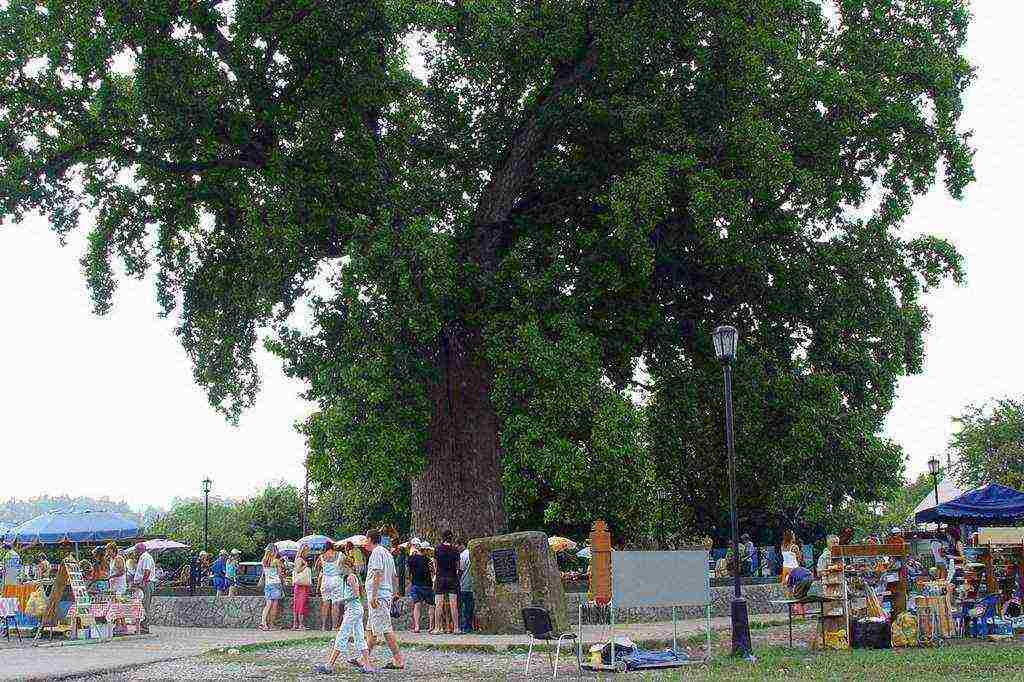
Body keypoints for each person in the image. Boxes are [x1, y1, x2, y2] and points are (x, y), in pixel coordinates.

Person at [313, 554, 375, 675]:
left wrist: (343, 599)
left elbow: (356, 594)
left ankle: (329, 665)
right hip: (355, 609)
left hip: (353, 610)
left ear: (346, 566)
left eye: (340, 566)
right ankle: (367, 665)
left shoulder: (350, 577)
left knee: (342, 635)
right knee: (359, 637)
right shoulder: (350, 576)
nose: (339, 569)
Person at [365, 529, 404, 670]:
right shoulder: (387, 553)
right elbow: (394, 576)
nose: (365, 542)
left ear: (370, 539)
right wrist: (395, 592)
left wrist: (374, 595)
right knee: (370, 629)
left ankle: (398, 659)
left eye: (366, 539)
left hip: (379, 596)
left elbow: (377, 573)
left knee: (385, 629)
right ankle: (363, 657)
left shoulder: (376, 553)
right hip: (384, 594)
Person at [432, 531, 459, 635]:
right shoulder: (455, 550)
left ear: (442, 538)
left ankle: (437, 628)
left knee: (438, 604)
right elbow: (457, 566)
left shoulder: (437, 549)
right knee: (453, 604)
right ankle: (456, 628)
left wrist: (437, 572)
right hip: (452, 578)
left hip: (440, 578)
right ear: (451, 538)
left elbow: (435, 564)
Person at [406, 540, 434, 633]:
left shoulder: (412, 558)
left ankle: (417, 626)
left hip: (416, 584)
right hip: (427, 584)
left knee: (417, 605)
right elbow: (433, 571)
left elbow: (408, 572)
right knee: (431, 605)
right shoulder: (428, 560)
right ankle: (431, 626)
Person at [132, 542, 158, 634]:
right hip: (144, 583)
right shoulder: (143, 557)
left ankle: (144, 627)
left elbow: (147, 571)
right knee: (142, 605)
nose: (135, 552)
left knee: (145, 605)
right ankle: (142, 626)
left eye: (136, 550)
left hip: (146, 584)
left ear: (140, 550)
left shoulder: (146, 557)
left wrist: (142, 583)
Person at [318, 542, 345, 630]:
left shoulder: (321, 557)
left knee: (325, 603)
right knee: (335, 604)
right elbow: (345, 566)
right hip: (336, 579)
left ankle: (323, 626)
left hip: (325, 580)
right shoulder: (340, 555)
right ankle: (334, 626)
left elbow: (317, 568)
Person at [260, 544, 284, 631]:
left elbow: (264, 574)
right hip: (276, 584)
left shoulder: (264, 561)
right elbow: (280, 574)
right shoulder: (276, 561)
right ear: (275, 551)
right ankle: (271, 624)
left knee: (268, 605)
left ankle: (263, 623)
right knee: (274, 605)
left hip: (268, 584)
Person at [292, 544, 312, 630]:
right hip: (302, 586)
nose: (308, 552)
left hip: (300, 585)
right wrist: (305, 566)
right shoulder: (300, 560)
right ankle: (300, 624)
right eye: (307, 550)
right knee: (301, 604)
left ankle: (295, 624)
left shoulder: (298, 559)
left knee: (297, 604)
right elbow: (297, 570)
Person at [458, 538, 474, 634]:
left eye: (457, 546)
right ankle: (469, 626)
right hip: (471, 585)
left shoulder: (463, 556)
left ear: (461, 545)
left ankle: (464, 627)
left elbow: (460, 570)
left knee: (463, 608)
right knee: (469, 608)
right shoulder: (471, 553)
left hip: (463, 585)